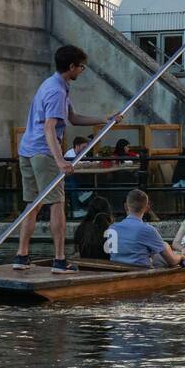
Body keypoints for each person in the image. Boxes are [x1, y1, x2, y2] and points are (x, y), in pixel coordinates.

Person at [13, 44, 123, 273]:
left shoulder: (53, 85)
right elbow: (50, 128)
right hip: (43, 153)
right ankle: (60, 260)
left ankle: (21, 257)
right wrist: (60, 160)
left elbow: (72, 118)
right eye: (81, 67)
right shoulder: (56, 91)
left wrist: (106, 118)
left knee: (32, 205)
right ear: (71, 66)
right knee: (57, 204)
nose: (82, 71)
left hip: (27, 149)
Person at [105, 189, 185, 268]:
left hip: (116, 271)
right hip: (141, 275)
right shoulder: (147, 230)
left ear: (126, 206)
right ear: (147, 208)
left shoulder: (112, 228)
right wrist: (181, 256)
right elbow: (172, 261)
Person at [73, 196, 114, 260]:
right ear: (108, 211)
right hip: (107, 266)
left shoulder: (81, 228)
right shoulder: (111, 230)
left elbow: (77, 251)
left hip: (85, 266)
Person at [65, 136, 91, 216]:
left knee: (77, 181)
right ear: (77, 146)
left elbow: (86, 163)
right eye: (83, 147)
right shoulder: (69, 154)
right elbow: (71, 167)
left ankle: (81, 194)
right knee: (73, 185)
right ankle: (76, 209)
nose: (85, 149)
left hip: (75, 177)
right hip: (64, 180)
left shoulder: (82, 154)